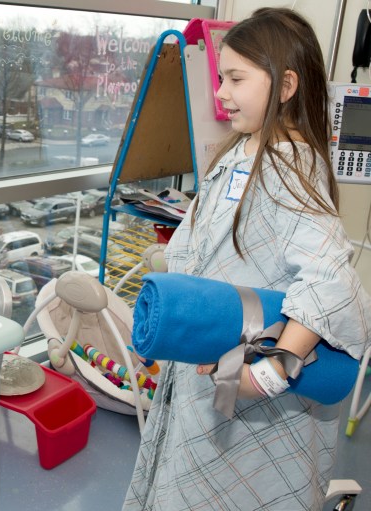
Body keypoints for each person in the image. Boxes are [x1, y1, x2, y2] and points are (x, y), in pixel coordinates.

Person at [123, 8, 371, 511]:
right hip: (209, 370)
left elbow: (331, 282)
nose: (221, 92)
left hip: (250, 385)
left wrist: (272, 372)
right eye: (220, 77)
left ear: (285, 86)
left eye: (236, 78)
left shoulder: (290, 167)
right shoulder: (239, 152)